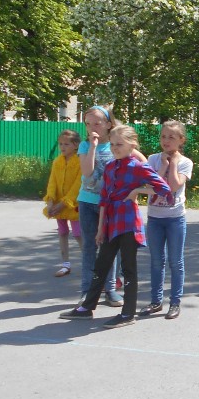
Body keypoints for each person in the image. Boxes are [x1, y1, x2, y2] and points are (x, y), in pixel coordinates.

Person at [61, 125, 171, 327]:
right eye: (112, 144)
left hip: (128, 224)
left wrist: (137, 191)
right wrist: (100, 228)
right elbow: (104, 198)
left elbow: (163, 188)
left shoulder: (138, 167)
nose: (114, 148)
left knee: (128, 269)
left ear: (132, 145)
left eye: (119, 144)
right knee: (101, 265)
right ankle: (87, 308)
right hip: (111, 223)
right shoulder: (111, 167)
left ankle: (128, 313)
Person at [76, 106, 143, 307]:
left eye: (97, 123)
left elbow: (143, 163)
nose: (92, 128)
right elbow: (87, 173)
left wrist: (134, 189)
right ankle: (87, 291)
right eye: (88, 124)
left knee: (109, 247)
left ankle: (110, 289)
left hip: (112, 205)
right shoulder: (85, 146)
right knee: (89, 247)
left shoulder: (117, 144)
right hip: (88, 201)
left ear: (108, 124)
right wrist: (93, 146)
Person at [140, 121, 194, 320]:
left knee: (176, 261)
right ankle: (156, 301)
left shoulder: (185, 162)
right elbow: (152, 185)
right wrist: (163, 165)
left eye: (171, 137)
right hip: (155, 218)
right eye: (163, 136)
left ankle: (175, 302)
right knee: (156, 261)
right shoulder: (153, 159)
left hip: (175, 219)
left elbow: (172, 186)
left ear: (181, 140)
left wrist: (173, 163)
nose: (166, 140)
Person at [43, 129, 82, 278]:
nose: (62, 147)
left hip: (73, 204)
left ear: (76, 145)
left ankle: (90, 264)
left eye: (66, 144)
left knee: (78, 234)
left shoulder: (80, 161)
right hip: (58, 204)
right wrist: (50, 201)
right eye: (60, 144)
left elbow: (78, 185)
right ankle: (65, 264)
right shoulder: (57, 161)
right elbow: (52, 182)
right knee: (62, 232)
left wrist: (65, 202)